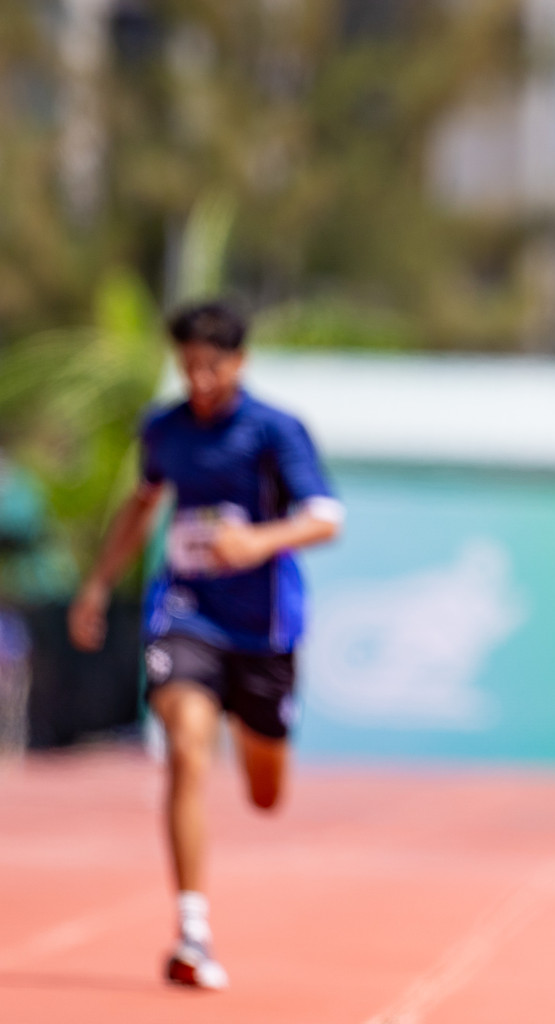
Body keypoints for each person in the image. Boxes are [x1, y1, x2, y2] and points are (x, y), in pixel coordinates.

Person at [68, 301, 343, 989]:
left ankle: (265, 731)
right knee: (187, 749)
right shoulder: (163, 430)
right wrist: (98, 586)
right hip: (187, 610)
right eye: (187, 366)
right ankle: (192, 930)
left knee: (264, 790)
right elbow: (143, 502)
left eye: (211, 367)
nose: (198, 380)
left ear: (240, 362)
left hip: (263, 627)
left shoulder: (275, 431)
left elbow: (325, 519)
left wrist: (257, 541)